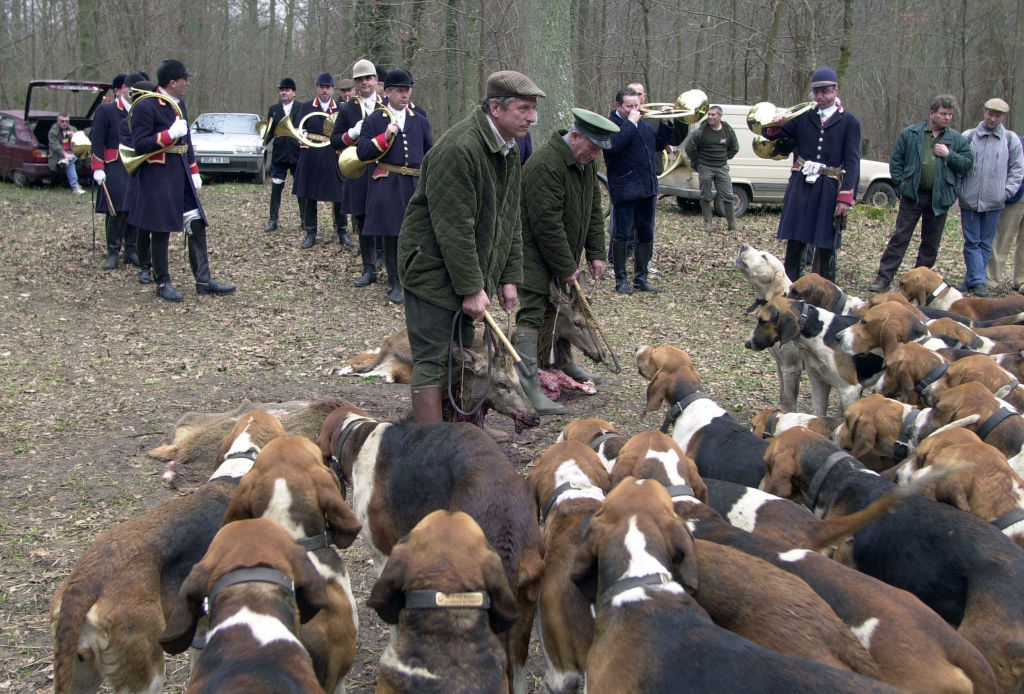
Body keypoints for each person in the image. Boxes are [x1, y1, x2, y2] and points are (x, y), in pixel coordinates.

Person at [397, 70, 544, 423]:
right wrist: (472, 289)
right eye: (523, 108)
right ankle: (431, 443)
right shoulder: (458, 149)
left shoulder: (509, 149)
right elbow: (454, 229)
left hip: (465, 272)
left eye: (533, 109)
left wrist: (509, 276)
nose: (532, 117)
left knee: (461, 356)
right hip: (431, 272)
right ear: (495, 107)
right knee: (434, 360)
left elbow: (509, 219)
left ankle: (460, 431)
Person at [517, 108, 617, 414]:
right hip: (533, 256)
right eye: (592, 148)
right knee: (534, 313)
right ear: (575, 137)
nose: (594, 155)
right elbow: (546, 224)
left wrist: (597, 252)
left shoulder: (584, 161)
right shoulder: (546, 164)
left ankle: (562, 362)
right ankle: (528, 383)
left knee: (565, 309)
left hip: (564, 257)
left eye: (599, 150)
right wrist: (566, 266)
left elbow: (593, 208)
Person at [126, 59, 235, 302]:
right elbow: (140, 144)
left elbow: (187, 142)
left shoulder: (180, 103)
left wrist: (194, 169)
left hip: (181, 173)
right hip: (158, 176)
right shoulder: (146, 105)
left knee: (196, 224)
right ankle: (162, 281)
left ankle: (203, 280)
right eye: (184, 79)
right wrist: (168, 135)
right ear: (172, 82)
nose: (187, 83)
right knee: (160, 229)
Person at [868, 95, 973, 293]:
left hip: (940, 199)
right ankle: (883, 279)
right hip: (913, 196)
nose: (947, 118)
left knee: (931, 243)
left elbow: (968, 164)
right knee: (900, 238)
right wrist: (902, 185)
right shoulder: (911, 133)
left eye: (950, 114)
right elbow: (896, 161)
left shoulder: (956, 139)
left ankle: (918, 282)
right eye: (943, 113)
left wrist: (949, 155)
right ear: (932, 113)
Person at [765, 66, 860, 283]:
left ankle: (825, 290)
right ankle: (790, 287)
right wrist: (776, 124)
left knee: (826, 241)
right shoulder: (804, 116)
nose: (821, 97)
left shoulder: (849, 122)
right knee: (795, 238)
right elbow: (772, 135)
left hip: (828, 188)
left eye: (825, 91)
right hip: (801, 185)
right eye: (817, 92)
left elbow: (853, 161)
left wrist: (846, 196)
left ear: (836, 90)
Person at [356, 68, 432, 304]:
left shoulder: (420, 120)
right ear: (387, 92)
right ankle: (395, 282)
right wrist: (384, 138)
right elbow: (362, 153)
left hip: (414, 184)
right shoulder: (375, 120)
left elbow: (430, 153)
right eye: (399, 90)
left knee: (416, 234)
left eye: (407, 90)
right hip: (388, 184)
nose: (404, 95)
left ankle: (413, 279)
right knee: (393, 235)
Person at [604, 86, 673, 294]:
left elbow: (658, 144)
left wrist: (666, 123)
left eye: (637, 105)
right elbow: (613, 146)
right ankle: (620, 279)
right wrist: (630, 123)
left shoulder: (642, 124)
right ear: (618, 105)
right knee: (622, 235)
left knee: (646, 234)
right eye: (629, 106)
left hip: (647, 188)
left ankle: (641, 277)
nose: (635, 109)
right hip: (625, 188)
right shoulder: (611, 125)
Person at [956, 97, 1024, 296]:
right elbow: (958, 165)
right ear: (984, 112)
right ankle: (978, 281)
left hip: (995, 202)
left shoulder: (1010, 140)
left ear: (1003, 117)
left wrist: (1005, 193)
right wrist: (961, 190)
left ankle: (972, 279)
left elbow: (1017, 170)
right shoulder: (968, 136)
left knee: (986, 243)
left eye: (998, 115)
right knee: (971, 242)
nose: (993, 119)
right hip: (969, 200)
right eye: (990, 114)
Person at [334, 59, 384, 285]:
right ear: (355, 83)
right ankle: (369, 268)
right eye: (360, 79)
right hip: (359, 170)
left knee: (385, 218)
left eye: (368, 78)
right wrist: (352, 134)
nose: (365, 82)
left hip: (384, 170)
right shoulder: (347, 108)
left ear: (375, 80)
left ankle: (385, 261)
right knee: (363, 220)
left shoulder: (387, 105)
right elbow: (335, 141)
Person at [291, 72, 351, 249]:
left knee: (339, 195)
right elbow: (298, 130)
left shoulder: (341, 108)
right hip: (312, 155)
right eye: (321, 87)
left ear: (332, 89)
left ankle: (342, 231)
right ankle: (311, 232)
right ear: (317, 88)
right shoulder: (306, 107)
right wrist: (301, 138)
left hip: (334, 154)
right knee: (310, 195)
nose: (325, 91)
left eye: (328, 87)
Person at [91, 73, 139, 269]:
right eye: (129, 89)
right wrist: (97, 167)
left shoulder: (140, 111)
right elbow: (97, 140)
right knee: (116, 209)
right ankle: (113, 251)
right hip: (114, 164)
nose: (131, 93)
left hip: (136, 163)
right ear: (123, 88)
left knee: (135, 209)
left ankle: (132, 250)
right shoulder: (107, 110)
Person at [684, 104, 740, 233]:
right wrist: (697, 162)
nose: (710, 117)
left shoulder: (727, 130)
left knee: (728, 196)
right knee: (705, 196)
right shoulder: (701, 131)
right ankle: (708, 223)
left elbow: (735, 148)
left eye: (713, 115)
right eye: (708, 114)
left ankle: (732, 224)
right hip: (705, 167)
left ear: (719, 116)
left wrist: (725, 157)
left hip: (722, 167)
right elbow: (690, 148)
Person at [263, 77, 301, 233]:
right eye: (282, 90)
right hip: (279, 155)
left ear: (293, 93)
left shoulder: (301, 107)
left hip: (297, 154)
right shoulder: (273, 109)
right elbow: (270, 131)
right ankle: (273, 220)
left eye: (287, 90)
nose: (284, 92)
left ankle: (305, 220)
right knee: (276, 188)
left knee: (301, 190)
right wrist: (263, 143)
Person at [991, 134, 1024, 292]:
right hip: (1016, 197)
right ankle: (991, 278)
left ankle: (1021, 280)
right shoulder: (1017, 142)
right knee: (1002, 238)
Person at [48, 113, 85, 195]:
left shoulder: (72, 129)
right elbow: (55, 146)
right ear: (58, 121)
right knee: (70, 161)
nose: (64, 123)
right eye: (62, 121)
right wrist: (65, 154)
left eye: (66, 121)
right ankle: (75, 187)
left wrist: (74, 136)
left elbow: (81, 143)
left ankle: (76, 186)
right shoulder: (53, 131)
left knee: (72, 159)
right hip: (58, 154)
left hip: (72, 153)